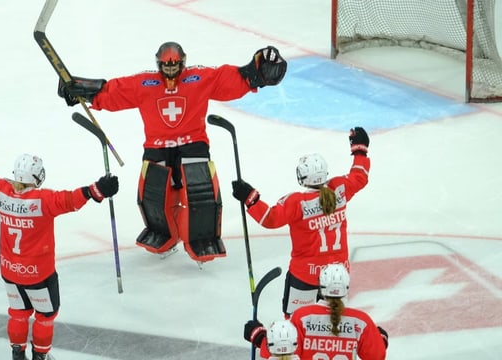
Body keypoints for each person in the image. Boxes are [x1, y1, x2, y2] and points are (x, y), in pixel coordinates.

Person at [57, 41, 287, 264]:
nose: (170, 70)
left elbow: (229, 79)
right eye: (166, 66)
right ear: (158, 65)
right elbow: (115, 92)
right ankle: (163, 234)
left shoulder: (199, 78)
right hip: (156, 147)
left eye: (174, 65)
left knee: (201, 196)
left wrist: (255, 72)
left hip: (193, 144)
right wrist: (85, 91)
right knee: (152, 197)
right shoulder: (144, 82)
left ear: (183, 63)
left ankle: (202, 237)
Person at [0, 131, 119, 360]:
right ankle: (40, 356)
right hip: (38, 274)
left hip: (9, 270)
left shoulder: (0, 192)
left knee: (18, 313)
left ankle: (18, 353)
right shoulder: (42, 200)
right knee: (45, 315)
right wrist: (98, 190)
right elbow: (70, 200)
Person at [231, 127, 370, 317]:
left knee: (296, 323)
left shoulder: (297, 202)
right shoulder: (340, 189)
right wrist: (360, 150)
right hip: (337, 275)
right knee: (331, 323)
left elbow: (270, 219)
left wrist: (250, 197)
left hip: (305, 274)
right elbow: (359, 177)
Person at [290, 263, 388, 360]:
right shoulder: (361, 321)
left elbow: (288, 355)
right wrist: (381, 338)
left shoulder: (302, 317)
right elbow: (376, 356)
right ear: (346, 288)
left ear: (320, 286)